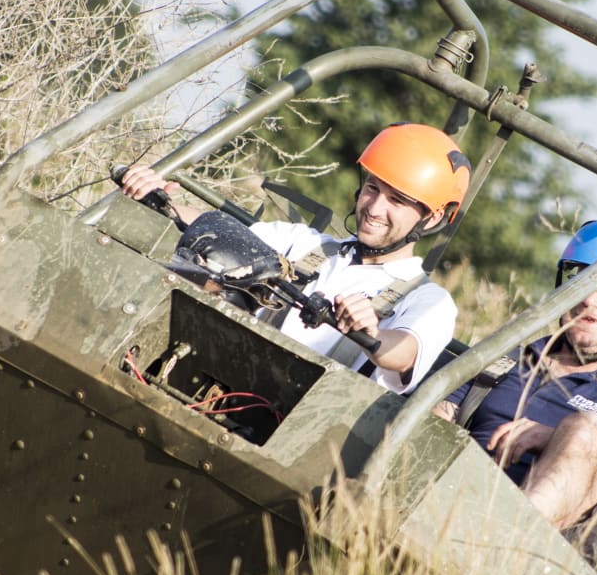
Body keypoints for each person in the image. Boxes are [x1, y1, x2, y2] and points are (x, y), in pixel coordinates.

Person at [120, 122, 471, 394]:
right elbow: (220, 234)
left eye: (397, 201)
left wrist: (373, 332)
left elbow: (403, 354)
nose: (374, 208)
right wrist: (156, 196)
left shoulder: (429, 301)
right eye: (372, 188)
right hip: (218, 382)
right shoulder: (303, 243)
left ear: (433, 218)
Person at [434, 220, 597, 571]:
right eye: (580, 281)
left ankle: (491, 556)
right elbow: (433, 422)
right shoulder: (504, 356)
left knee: (587, 430)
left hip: (546, 566)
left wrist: (566, 444)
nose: (589, 299)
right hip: (446, 513)